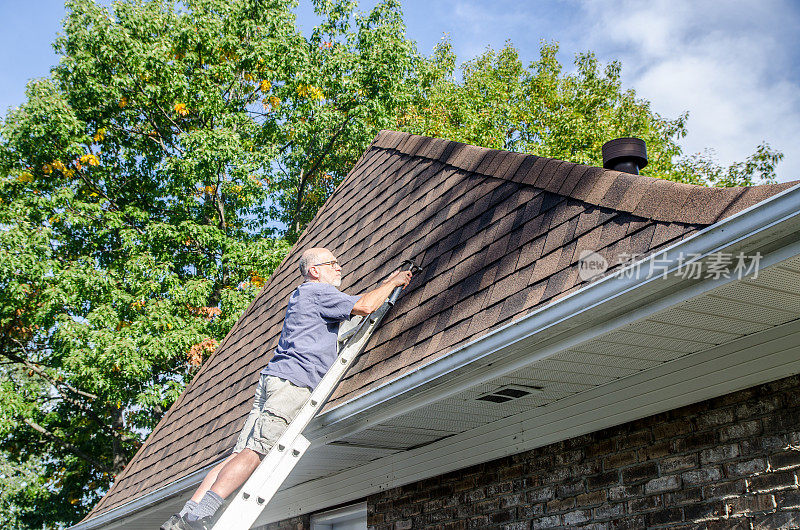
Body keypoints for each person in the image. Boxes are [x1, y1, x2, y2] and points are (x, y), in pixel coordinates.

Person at [161, 247, 413, 530]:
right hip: (294, 381)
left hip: (276, 378)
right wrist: (392, 282)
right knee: (257, 451)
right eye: (333, 263)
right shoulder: (318, 292)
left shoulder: (302, 295)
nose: (339, 268)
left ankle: (184, 515)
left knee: (240, 453)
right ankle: (199, 516)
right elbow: (366, 306)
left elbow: (348, 317)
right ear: (315, 271)